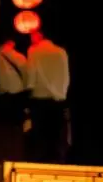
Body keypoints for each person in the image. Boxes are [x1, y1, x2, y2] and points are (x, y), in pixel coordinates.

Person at [24, 33, 70, 163]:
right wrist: (62, 94)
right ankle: (56, 162)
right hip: (58, 100)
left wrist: (28, 90)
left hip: (39, 98)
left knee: (40, 135)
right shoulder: (61, 52)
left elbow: (31, 75)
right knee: (55, 135)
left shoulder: (33, 51)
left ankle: (40, 161)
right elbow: (65, 76)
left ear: (38, 36)